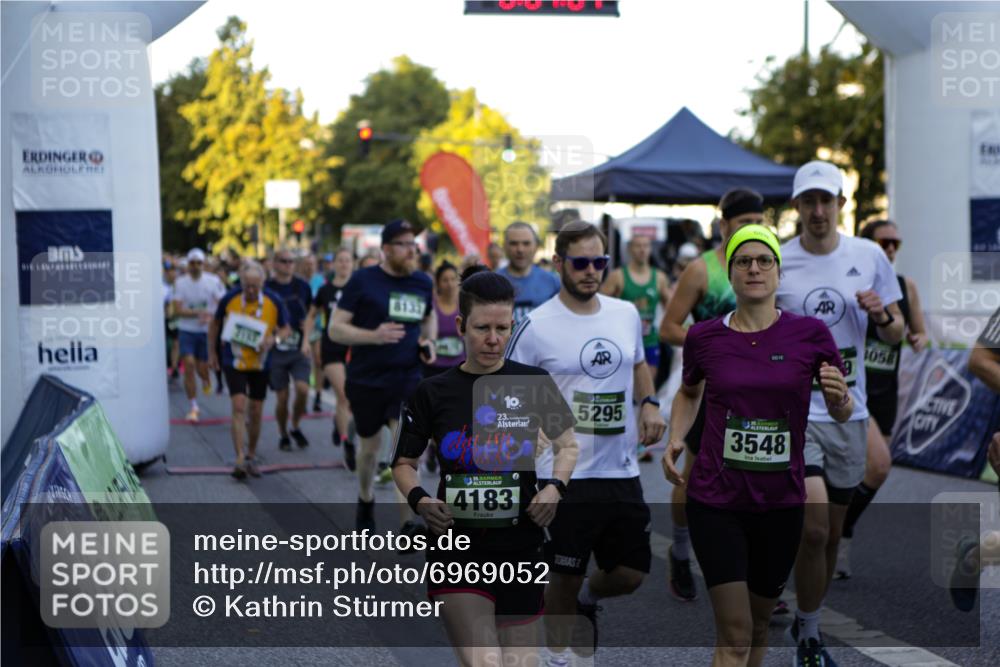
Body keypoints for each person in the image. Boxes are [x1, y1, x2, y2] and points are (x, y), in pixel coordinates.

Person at [662, 224, 852, 667]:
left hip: (781, 502)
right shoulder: (704, 337)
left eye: (764, 260)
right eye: (743, 261)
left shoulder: (811, 334)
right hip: (716, 499)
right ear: (729, 274)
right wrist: (675, 437)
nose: (754, 269)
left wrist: (840, 397)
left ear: (778, 273)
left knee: (761, 625)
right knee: (735, 635)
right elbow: (690, 392)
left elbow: (840, 409)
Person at [392, 266, 579, 667]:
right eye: (482, 328)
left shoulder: (534, 383)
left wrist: (554, 488)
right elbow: (404, 463)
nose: (493, 340)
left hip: (522, 548)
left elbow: (568, 446)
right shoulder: (432, 392)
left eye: (502, 328)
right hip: (457, 550)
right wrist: (421, 500)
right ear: (460, 325)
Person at [506, 221, 666, 662]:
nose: (592, 271)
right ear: (559, 264)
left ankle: (589, 602)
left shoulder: (624, 313)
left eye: (600, 262)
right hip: (562, 476)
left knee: (631, 572)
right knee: (563, 576)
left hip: (620, 469)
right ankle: (559, 657)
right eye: (581, 263)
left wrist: (649, 402)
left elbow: (637, 363)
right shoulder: (535, 324)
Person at [775, 161, 904, 666]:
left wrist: (883, 315)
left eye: (827, 200)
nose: (819, 211)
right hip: (796, 413)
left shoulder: (869, 255)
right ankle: (809, 635)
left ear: (841, 206)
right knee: (812, 529)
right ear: (797, 208)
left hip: (848, 410)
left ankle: (808, 621)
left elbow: (894, 336)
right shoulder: (780, 260)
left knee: (828, 533)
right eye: (809, 201)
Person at [657, 187, 765, 602]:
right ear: (724, 226)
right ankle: (682, 549)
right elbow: (668, 328)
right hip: (705, 389)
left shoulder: (767, 265)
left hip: (754, 392)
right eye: (742, 224)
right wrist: (712, 346)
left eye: (758, 224)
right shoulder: (702, 271)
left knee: (755, 477)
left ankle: (758, 578)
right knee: (695, 474)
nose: (751, 231)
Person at [329, 219, 437, 532]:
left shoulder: (421, 282)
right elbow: (336, 329)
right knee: (369, 451)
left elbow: (428, 319)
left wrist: (426, 341)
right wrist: (373, 336)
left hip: (406, 378)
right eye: (403, 243)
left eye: (413, 243)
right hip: (366, 379)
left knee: (404, 451)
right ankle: (365, 497)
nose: (411, 249)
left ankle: (407, 523)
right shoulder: (363, 280)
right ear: (386, 249)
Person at [836, 219, 929, 579]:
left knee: (873, 472)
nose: (890, 249)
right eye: (884, 242)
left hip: (885, 391)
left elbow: (916, 331)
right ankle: (832, 532)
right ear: (869, 244)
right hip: (854, 386)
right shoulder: (850, 282)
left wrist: (919, 340)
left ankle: (839, 526)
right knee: (876, 464)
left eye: (896, 243)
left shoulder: (907, 287)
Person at [208, 262, 289, 479]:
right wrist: (212, 353)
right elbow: (214, 324)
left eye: (255, 286)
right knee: (238, 405)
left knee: (256, 409)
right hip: (233, 361)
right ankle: (240, 457)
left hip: (260, 362)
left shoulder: (274, 301)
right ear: (241, 283)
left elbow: (286, 328)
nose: (251, 290)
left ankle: (252, 454)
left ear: (262, 283)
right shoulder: (230, 298)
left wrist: (275, 339)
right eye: (247, 286)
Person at [600, 234, 671, 398]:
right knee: (625, 391)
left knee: (645, 392)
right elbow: (599, 306)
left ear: (650, 249)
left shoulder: (659, 277)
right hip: (624, 343)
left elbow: (673, 308)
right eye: (638, 246)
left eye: (646, 246)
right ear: (630, 249)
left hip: (650, 341)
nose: (642, 250)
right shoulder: (618, 276)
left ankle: (642, 421)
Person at [306, 248, 357, 468]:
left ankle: (340, 423)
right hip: (331, 347)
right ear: (333, 264)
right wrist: (306, 340)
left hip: (356, 347)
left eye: (348, 261)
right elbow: (311, 315)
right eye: (341, 260)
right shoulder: (325, 290)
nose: (344, 264)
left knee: (350, 399)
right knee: (343, 395)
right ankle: (347, 444)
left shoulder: (359, 289)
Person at [265, 248, 315, 451]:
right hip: (276, 348)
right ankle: (283, 433)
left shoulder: (302, 286)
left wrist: (307, 339)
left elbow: (311, 315)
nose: (288, 265)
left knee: (303, 390)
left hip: (298, 346)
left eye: (291, 262)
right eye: (284, 261)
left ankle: (295, 425)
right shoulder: (267, 287)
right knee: (282, 397)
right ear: (275, 263)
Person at [172, 248, 227, 421]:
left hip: (206, 331)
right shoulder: (180, 283)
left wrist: (211, 316)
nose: (195, 266)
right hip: (187, 329)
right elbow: (177, 310)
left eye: (199, 263)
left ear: (204, 264)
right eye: (192, 263)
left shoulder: (213, 281)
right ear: (187, 265)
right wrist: (198, 313)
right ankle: (193, 406)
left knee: (202, 367)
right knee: (188, 364)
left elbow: (222, 305)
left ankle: (206, 379)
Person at [498, 221, 560, 326]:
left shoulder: (553, 282)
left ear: (536, 246)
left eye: (526, 243)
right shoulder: (493, 282)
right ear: (504, 246)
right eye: (514, 243)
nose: (520, 249)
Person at [425, 261, 465, 377]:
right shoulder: (430, 306)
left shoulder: (465, 306)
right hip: (433, 367)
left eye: (453, 279)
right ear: (438, 283)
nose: (450, 284)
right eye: (445, 280)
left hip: (459, 367)